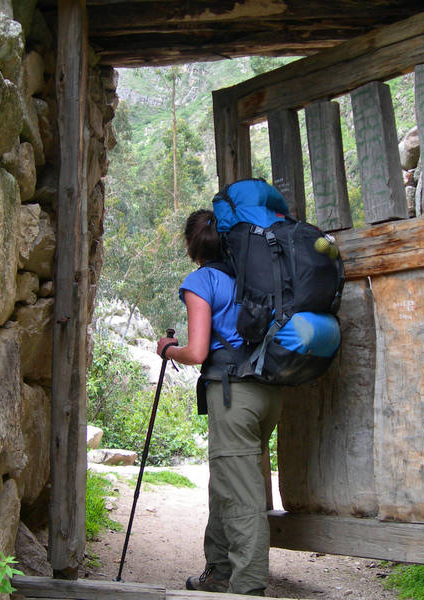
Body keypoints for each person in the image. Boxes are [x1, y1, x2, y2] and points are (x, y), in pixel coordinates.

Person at [156, 208, 282, 597]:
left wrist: (167, 350)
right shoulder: (247, 276)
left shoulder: (201, 281)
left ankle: (246, 587)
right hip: (267, 392)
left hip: (233, 396)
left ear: (191, 246)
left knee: (241, 496)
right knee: (228, 483)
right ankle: (220, 570)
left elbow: (196, 351)